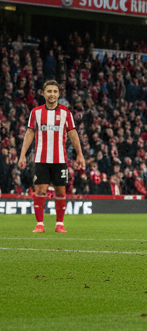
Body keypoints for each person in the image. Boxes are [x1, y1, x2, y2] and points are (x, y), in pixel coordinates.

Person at [17, 80, 85, 232]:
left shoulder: (66, 113)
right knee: (40, 191)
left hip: (60, 159)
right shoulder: (36, 112)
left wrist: (80, 154)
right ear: (43, 93)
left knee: (61, 192)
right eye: (49, 91)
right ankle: (39, 224)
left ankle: (59, 224)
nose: (52, 94)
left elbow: (73, 133)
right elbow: (29, 133)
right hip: (41, 159)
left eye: (55, 91)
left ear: (58, 94)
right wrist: (22, 155)